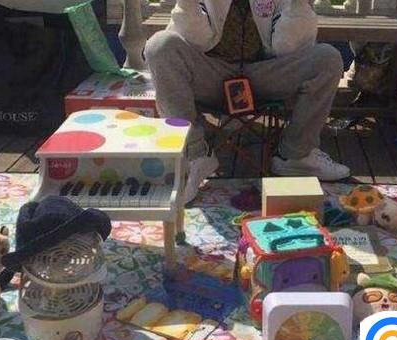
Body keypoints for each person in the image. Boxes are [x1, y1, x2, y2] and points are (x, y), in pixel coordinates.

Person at [145, 0, 350, 203]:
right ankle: (194, 154)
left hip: (264, 73)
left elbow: (285, 48)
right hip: (212, 72)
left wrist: (298, 5)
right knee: (159, 46)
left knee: (327, 58)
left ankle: (297, 156)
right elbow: (196, 41)